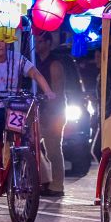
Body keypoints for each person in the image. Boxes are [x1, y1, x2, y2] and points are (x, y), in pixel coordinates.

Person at [0, 31, 57, 213]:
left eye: (2, 41)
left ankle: (23, 174)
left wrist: (48, 91)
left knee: (24, 141)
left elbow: (35, 73)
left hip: (11, 108)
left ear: (8, 43)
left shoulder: (17, 58)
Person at [35, 32, 74, 197]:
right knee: (34, 146)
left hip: (54, 112)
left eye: (40, 41)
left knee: (53, 149)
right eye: (35, 41)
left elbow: (57, 92)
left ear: (48, 43)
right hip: (37, 109)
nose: (37, 44)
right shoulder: (34, 61)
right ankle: (44, 180)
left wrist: (50, 112)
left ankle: (57, 185)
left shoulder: (54, 64)